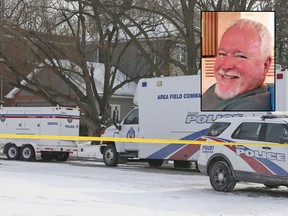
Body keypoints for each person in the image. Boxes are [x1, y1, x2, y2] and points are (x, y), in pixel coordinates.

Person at [202, 19, 273, 111]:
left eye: (240, 56)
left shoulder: (249, 109)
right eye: (222, 54)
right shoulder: (219, 89)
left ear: (265, 66)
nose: (225, 66)